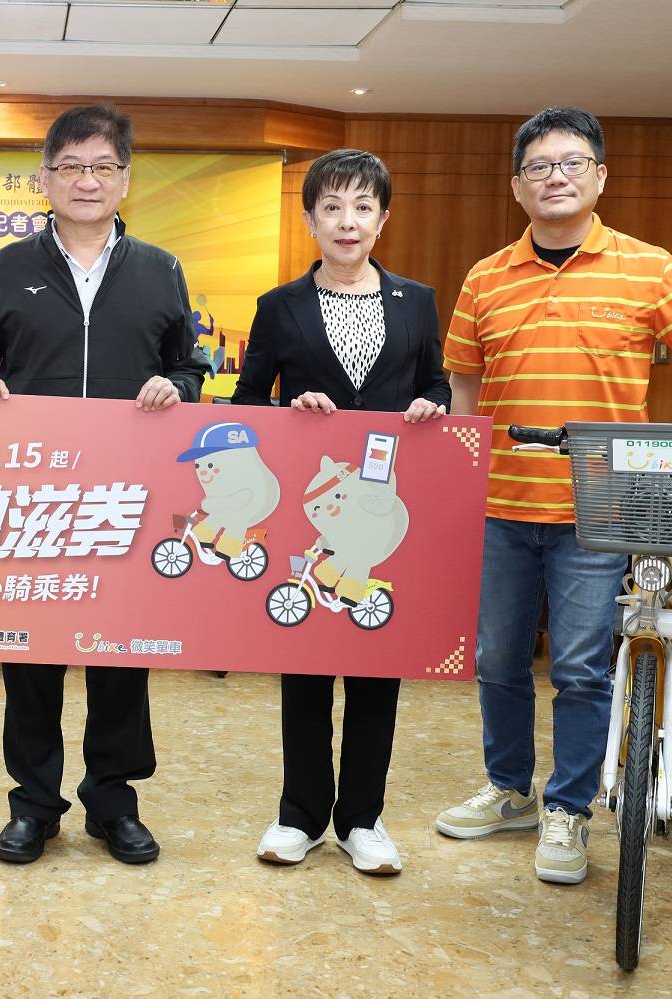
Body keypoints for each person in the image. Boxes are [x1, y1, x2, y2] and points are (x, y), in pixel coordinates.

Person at [436, 107, 672, 885]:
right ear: (516, 186)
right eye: (538, 166)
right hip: (500, 506)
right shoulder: (485, 278)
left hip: (597, 512)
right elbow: (464, 388)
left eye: (571, 163)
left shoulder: (648, 269)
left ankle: (567, 808)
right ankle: (509, 789)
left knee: (579, 667)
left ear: (600, 176)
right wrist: (456, 482)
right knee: (497, 660)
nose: (555, 177)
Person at [0, 103, 211, 865]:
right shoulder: (5, 268)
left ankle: (113, 801)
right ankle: (34, 805)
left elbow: (191, 365)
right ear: (45, 179)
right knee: (31, 655)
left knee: (121, 653)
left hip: (130, 497)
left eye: (102, 167)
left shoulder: (160, 269)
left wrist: (175, 386)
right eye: (70, 167)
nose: (86, 181)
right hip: (33, 498)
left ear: (125, 179)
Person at [232, 149, 449, 876]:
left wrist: (432, 406)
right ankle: (299, 815)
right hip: (312, 502)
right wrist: (289, 409)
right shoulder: (279, 306)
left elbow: (435, 384)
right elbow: (247, 405)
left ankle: (362, 818)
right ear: (309, 220)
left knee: (377, 663)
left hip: (388, 504)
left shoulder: (416, 301)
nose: (347, 221)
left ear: (383, 219)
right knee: (305, 664)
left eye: (362, 207)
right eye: (332, 207)